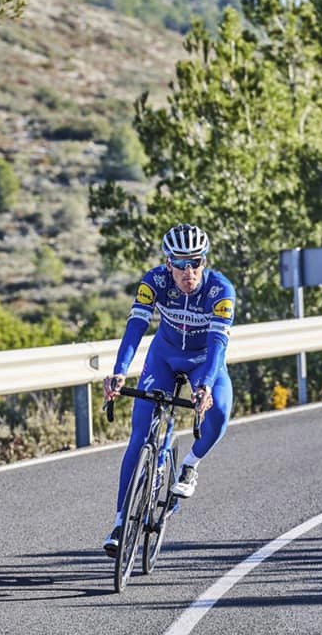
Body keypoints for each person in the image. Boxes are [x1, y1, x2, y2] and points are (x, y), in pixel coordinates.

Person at [101, 223, 236, 557]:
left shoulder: (221, 291)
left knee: (218, 412)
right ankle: (120, 523)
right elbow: (135, 327)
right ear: (168, 263)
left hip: (204, 360)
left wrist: (203, 387)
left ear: (205, 261)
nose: (188, 271)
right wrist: (119, 372)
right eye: (180, 263)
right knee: (139, 435)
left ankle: (189, 465)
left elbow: (218, 344)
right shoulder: (155, 281)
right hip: (164, 357)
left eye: (196, 262)